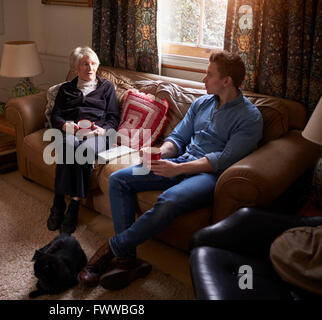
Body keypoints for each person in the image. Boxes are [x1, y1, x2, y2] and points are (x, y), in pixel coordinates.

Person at [78, 51, 264, 290]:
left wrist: (177, 169)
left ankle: (111, 250)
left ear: (226, 81)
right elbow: (178, 137)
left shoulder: (250, 118)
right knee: (118, 180)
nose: (203, 80)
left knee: (169, 199)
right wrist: (162, 153)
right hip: (179, 161)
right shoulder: (201, 103)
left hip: (207, 177)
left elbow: (223, 159)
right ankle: (127, 261)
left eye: (209, 75)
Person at [47, 46, 120, 234]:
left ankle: (72, 205)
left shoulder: (107, 87)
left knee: (84, 151)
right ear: (75, 68)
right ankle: (59, 202)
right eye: (85, 64)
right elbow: (56, 115)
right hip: (72, 131)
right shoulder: (66, 89)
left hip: (97, 134)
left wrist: (101, 131)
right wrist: (65, 126)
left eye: (93, 63)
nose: (90, 68)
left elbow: (113, 118)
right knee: (67, 146)